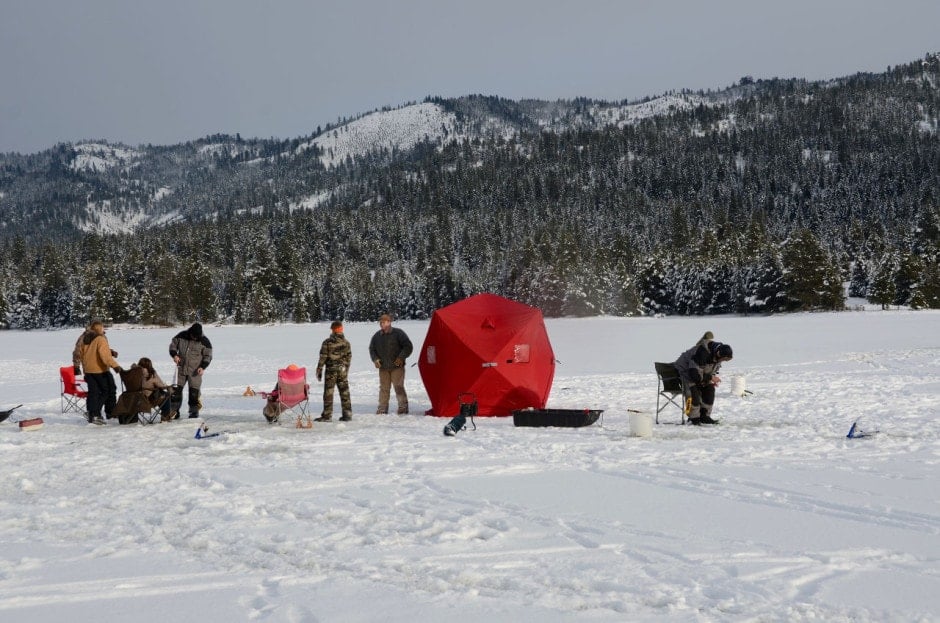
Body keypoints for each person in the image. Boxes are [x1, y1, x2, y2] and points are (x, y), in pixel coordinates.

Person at [673, 333, 733, 426]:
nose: (723, 361)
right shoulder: (702, 353)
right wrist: (710, 378)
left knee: (710, 389)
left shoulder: (716, 355)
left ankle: (704, 416)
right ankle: (694, 418)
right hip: (684, 373)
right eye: (724, 359)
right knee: (693, 392)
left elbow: (710, 370)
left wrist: (709, 379)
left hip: (697, 374)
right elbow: (694, 375)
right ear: (718, 353)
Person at [79, 320, 123, 425]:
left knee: (94, 393)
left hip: (89, 370)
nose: (104, 329)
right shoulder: (100, 339)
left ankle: (92, 413)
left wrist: (84, 368)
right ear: (99, 329)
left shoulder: (86, 339)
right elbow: (105, 356)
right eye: (103, 327)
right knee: (105, 392)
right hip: (99, 370)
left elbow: (81, 354)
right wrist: (115, 366)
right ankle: (95, 413)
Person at [368, 313, 413, 415]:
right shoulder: (376, 336)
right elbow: (372, 349)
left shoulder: (398, 333)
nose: (383, 324)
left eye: (385, 322)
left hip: (397, 367)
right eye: (382, 322)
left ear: (390, 322)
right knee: (384, 388)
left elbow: (408, 346)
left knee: (398, 386)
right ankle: (382, 408)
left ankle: (403, 407)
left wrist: (401, 357)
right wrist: (375, 359)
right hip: (383, 367)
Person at [169, 322, 213, 418]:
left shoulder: (204, 341)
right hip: (181, 369)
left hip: (195, 371)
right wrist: (174, 355)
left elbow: (208, 356)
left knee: (194, 393)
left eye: (197, 337)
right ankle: (174, 412)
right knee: (175, 392)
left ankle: (193, 412)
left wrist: (203, 367)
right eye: (193, 336)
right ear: (190, 332)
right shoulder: (182, 336)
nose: (195, 338)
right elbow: (173, 345)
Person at [316, 321, 353, 422]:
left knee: (328, 393)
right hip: (342, 370)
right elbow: (349, 358)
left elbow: (323, 357)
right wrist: (346, 370)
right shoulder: (346, 343)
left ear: (333, 330)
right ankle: (347, 414)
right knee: (344, 392)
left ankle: (327, 416)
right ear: (341, 329)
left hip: (331, 371)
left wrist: (319, 369)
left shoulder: (327, 342)